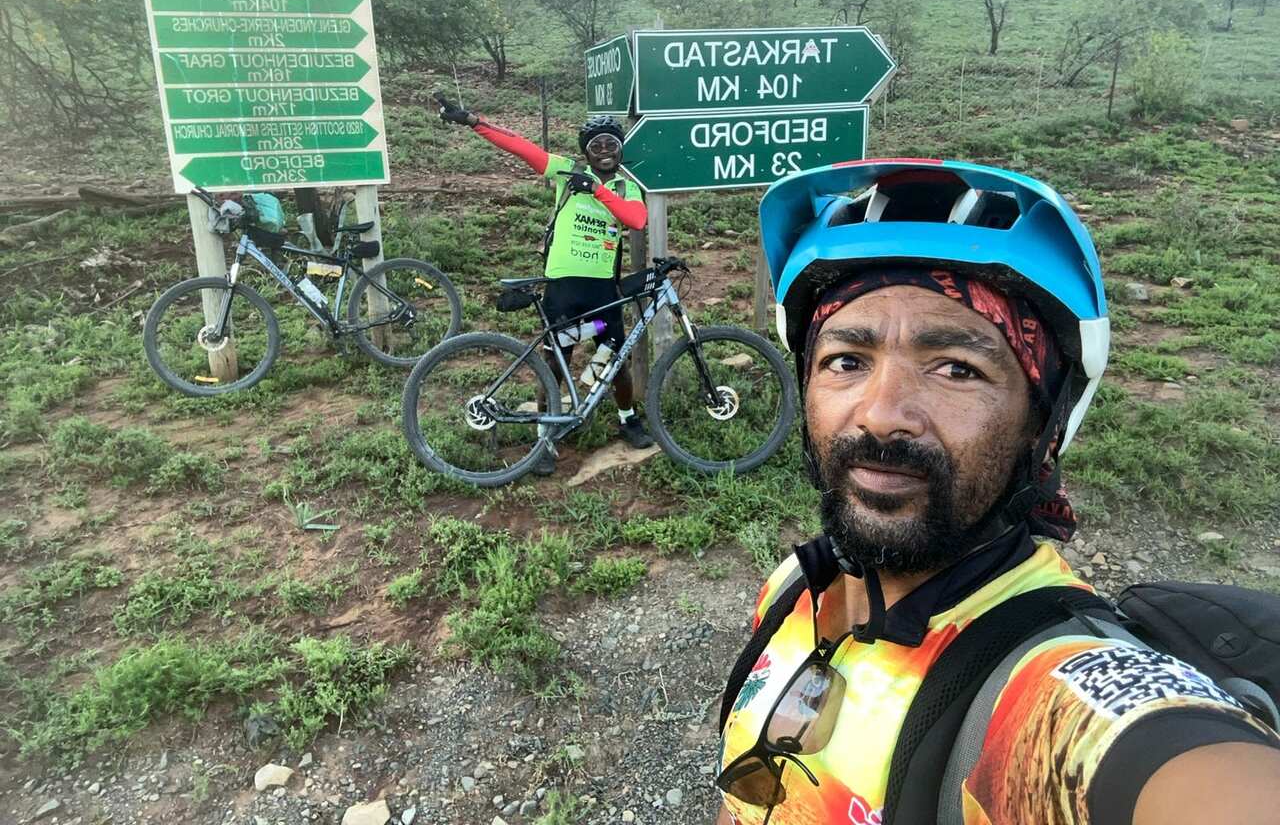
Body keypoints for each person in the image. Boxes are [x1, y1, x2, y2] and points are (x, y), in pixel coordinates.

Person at [714, 159, 1280, 824]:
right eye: (846, 360)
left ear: (1042, 424)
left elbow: (1169, 761)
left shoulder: (1047, 690)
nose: (881, 413)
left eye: (956, 368)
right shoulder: (795, 587)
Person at [436, 97, 653, 474]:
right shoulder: (566, 172)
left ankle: (627, 419)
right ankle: (544, 438)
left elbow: (635, 220)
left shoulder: (626, 187)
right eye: (596, 145)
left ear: (620, 149)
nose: (604, 150)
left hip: (603, 288)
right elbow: (521, 147)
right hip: (563, 286)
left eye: (611, 144)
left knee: (615, 358)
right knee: (555, 362)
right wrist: (473, 121)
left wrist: (596, 190)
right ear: (586, 151)